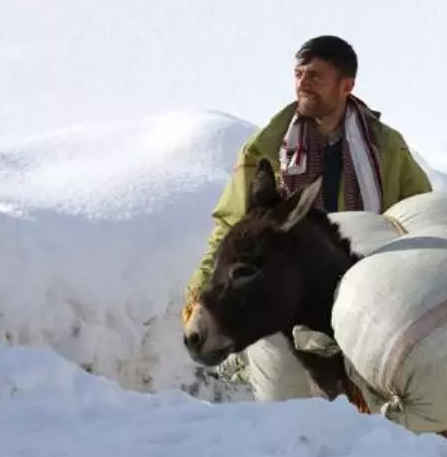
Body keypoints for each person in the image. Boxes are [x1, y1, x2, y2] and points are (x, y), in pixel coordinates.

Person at [181, 35, 433, 327]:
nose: (302, 83)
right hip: (296, 295)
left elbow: (418, 213)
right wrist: (198, 291)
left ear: (346, 86)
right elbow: (231, 227)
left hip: (373, 288)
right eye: (298, 75)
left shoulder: (386, 146)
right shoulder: (266, 149)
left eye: (315, 76)